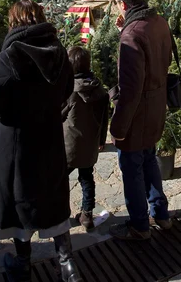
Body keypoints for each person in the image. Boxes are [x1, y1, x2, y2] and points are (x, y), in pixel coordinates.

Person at [0, 0, 83, 282]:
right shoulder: (59, 53)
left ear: (14, 22)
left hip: (16, 144)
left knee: (17, 201)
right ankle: (67, 264)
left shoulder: (9, 57)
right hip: (49, 138)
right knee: (52, 196)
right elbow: (67, 91)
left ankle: (23, 263)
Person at [109, 0, 173, 241]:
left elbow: (131, 89)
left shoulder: (132, 34)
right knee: (149, 159)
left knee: (132, 167)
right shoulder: (158, 22)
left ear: (123, 4)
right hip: (157, 105)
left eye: (115, 4)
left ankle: (139, 226)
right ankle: (161, 215)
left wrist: (118, 127)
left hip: (139, 112)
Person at [63, 46, 109, 231]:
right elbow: (104, 118)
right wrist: (101, 141)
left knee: (60, 180)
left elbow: (58, 114)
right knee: (87, 178)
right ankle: (87, 215)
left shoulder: (69, 91)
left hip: (68, 146)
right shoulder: (100, 90)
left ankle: (61, 214)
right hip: (90, 144)